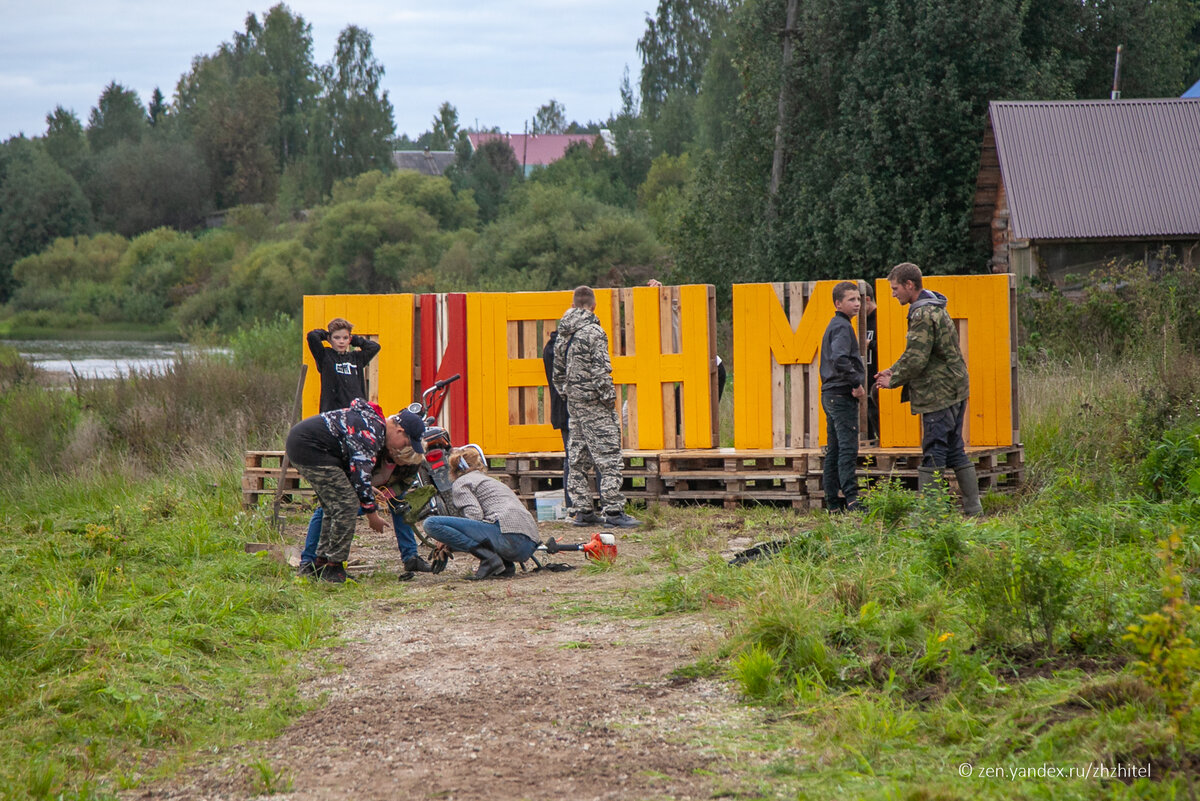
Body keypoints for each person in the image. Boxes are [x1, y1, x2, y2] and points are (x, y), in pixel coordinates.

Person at [873, 262, 982, 515]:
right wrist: (893, 368)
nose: (893, 293)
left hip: (938, 393)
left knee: (934, 449)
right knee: (954, 448)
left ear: (910, 285)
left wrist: (893, 379)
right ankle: (973, 509)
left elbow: (917, 358)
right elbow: (918, 352)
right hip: (955, 387)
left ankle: (929, 514)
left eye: (896, 288)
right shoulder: (935, 309)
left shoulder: (921, 315)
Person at [286, 398, 426, 582]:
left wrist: (368, 489)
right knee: (347, 505)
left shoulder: (373, 426)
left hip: (306, 446)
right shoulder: (372, 433)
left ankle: (320, 563)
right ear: (400, 431)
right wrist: (372, 515)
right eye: (406, 442)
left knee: (333, 507)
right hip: (311, 449)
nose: (404, 447)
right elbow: (360, 475)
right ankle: (334, 568)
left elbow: (357, 473)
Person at [552, 286, 640, 528]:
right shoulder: (594, 332)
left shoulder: (563, 333)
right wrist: (608, 399)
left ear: (572, 304)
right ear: (593, 305)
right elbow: (601, 371)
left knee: (578, 458)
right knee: (609, 456)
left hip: (575, 405)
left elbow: (557, 373)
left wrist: (571, 395)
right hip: (595, 404)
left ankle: (582, 511)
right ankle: (613, 512)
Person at [422, 446, 541, 580]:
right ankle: (504, 564)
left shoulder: (462, 482)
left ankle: (489, 558)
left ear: (453, 469)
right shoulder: (491, 481)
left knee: (431, 523)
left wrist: (446, 538)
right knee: (489, 523)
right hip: (528, 545)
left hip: (508, 537)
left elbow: (475, 516)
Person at [820, 281, 867, 512]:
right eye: (851, 300)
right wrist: (856, 382)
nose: (857, 304)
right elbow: (840, 359)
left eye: (858, 299)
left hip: (830, 394)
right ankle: (852, 500)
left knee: (835, 449)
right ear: (838, 303)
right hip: (840, 395)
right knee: (848, 449)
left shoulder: (836, 325)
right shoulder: (842, 327)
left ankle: (832, 503)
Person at [306, 318, 381, 413]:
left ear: (349, 339)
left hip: (356, 412)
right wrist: (326, 334)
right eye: (336, 338)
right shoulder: (325, 356)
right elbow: (312, 336)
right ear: (329, 339)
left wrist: (354, 339)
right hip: (333, 413)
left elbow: (374, 347)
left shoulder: (356, 358)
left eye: (345, 338)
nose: (341, 341)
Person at [861, 284, 880, 443]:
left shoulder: (880, 318)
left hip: (879, 377)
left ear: (867, 300)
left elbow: (892, 345)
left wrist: (871, 344)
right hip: (865, 379)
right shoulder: (861, 321)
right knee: (868, 415)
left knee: (878, 415)